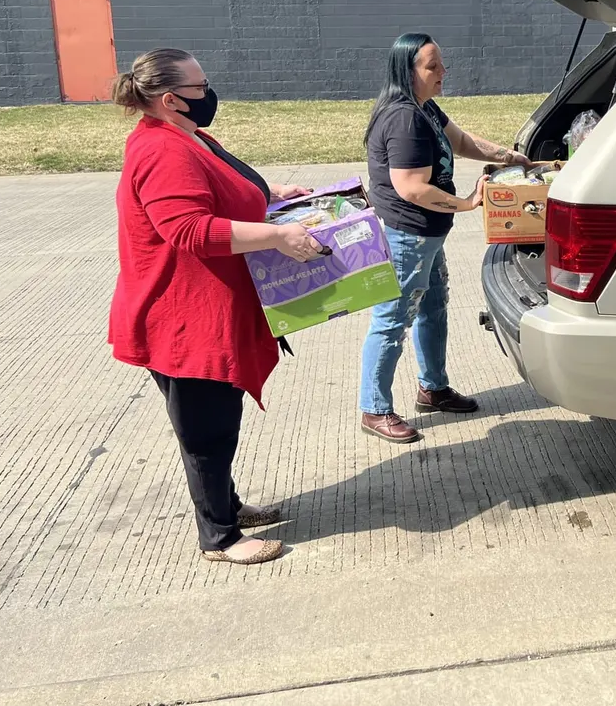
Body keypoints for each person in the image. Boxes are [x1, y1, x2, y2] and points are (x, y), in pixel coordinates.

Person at [108, 48, 325, 565]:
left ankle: (227, 506)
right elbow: (188, 229)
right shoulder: (161, 150)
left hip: (205, 310)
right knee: (206, 431)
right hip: (182, 319)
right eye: (200, 87)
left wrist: (272, 194)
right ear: (169, 99)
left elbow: (216, 190)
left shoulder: (188, 135)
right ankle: (220, 537)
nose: (209, 94)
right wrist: (277, 235)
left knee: (218, 420)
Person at [359, 32, 530, 443]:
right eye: (432, 66)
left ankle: (432, 388)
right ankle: (374, 408)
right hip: (407, 238)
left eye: (441, 64)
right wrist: (468, 203)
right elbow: (412, 189)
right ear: (408, 72)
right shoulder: (404, 119)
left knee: (433, 308)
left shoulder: (426, 109)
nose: (442, 72)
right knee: (392, 320)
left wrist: (508, 157)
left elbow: (462, 141)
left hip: (428, 237)